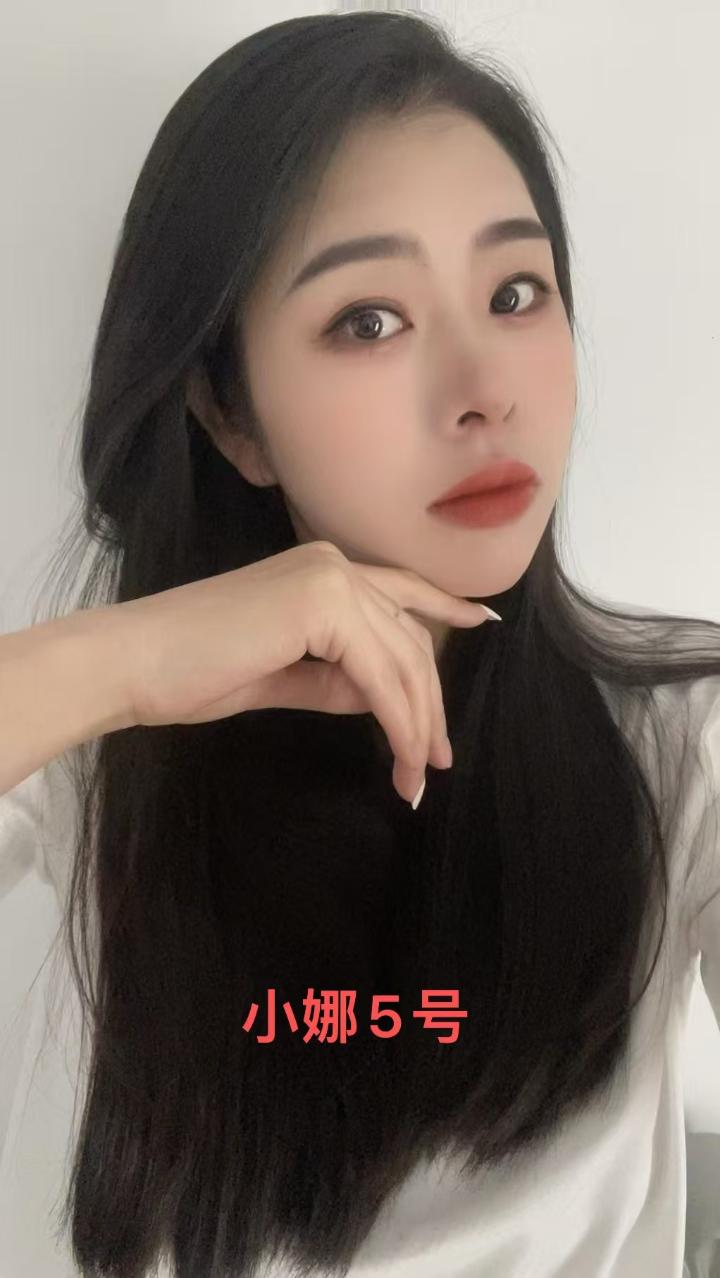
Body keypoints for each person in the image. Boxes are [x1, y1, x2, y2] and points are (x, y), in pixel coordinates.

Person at [1, 10, 718, 1277]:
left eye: (516, 292)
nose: (485, 390)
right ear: (232, 415)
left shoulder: (686, 747)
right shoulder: (96, 759)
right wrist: (120, 664)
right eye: (369, 320)